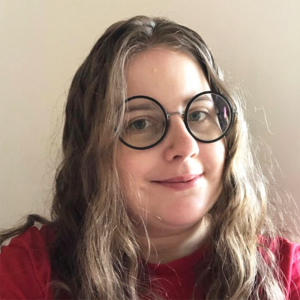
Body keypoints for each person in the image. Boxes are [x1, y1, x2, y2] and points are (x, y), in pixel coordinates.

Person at [0, 15, 299, 300]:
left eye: (198, 114)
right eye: (140, 123)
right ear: (91, 152)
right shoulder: (30, 272)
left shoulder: (285, 275)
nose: (185, 145)